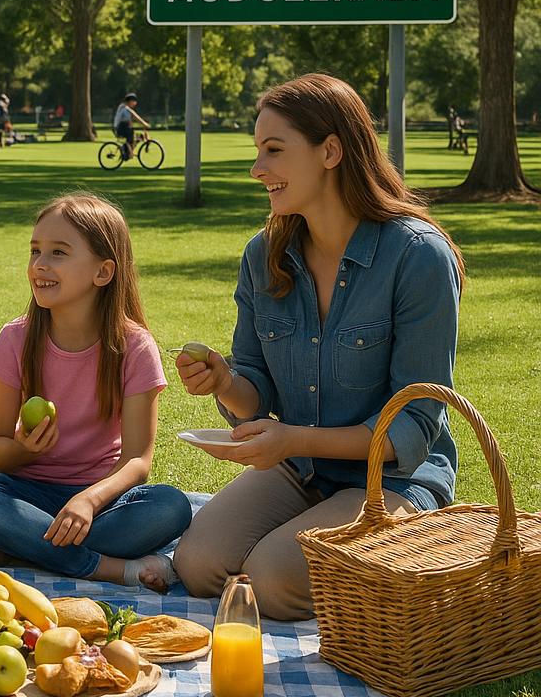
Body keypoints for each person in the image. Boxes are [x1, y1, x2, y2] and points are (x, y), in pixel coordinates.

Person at [171, 73, 464, 620]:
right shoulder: (264, 256)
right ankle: (341, 570)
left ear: (331, 151)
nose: (258, 169)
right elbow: (254, 389)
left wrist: (292, 439)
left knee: (274, 578)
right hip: (301, 468)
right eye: (258, 151)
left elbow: (416, 424)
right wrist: (225, 381)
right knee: (197, 562)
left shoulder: (418, 256)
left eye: (274, 151)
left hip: (392, 479)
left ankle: (404, 566)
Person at [0, 193, 193, 592]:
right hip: (26, 495)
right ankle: (112, 568)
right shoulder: (15, 339)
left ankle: (24, 548)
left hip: (101, 503)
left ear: (103, 273)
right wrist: (26, 449)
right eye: (35, 251)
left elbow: (137, 460)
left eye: (58, 252)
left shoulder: (134, 346)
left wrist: (88, 500)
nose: (40, 265)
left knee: (171, 506)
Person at [113, 93, 150, 160]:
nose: (135, 103)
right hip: (119, 129)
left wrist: (141, 124)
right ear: (130, 101)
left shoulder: (125, 108)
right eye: (134, 101)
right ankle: (127, 152)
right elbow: (135, 116)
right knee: (131, 135)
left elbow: (130, 121)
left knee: (139, 136)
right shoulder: (124, 108)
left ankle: (127, 151)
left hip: (123, 128)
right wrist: (144, 123)